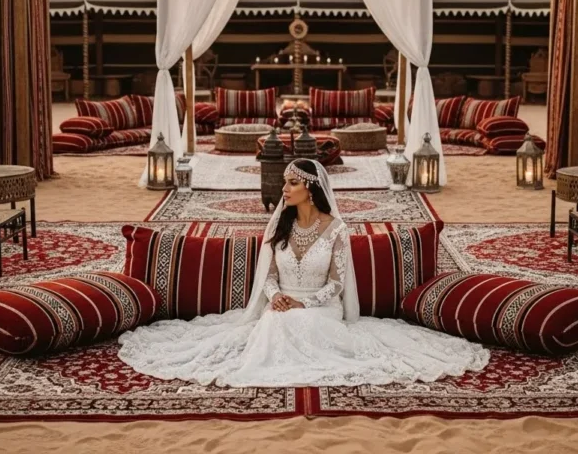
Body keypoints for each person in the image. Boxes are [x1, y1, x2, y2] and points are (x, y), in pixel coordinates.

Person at [117, 158, 489, 387]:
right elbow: (268, 273)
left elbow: (337, 284)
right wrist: (277, 295)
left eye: (291, 183)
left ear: (310, 188)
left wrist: (304, 302)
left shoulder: (336, 229)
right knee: (275, 321)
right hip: (280, 302)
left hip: (320, 306)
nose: (284, 189)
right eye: (285, 182)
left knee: (298, 322)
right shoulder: (279, 225)